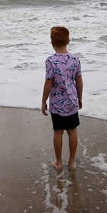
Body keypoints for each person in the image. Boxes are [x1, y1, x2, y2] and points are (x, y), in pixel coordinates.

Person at [40, 26, 83, 172]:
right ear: (68, 41)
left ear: (52, 43)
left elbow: (48, 82)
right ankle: (71, 162)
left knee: (58, 132)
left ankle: (58, 162)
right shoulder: (75, 60)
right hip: (72, 102)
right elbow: (79, 81)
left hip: (57, 104)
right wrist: (80, 98)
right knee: (72, 131)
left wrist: (43, 100)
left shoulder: (50, 61)